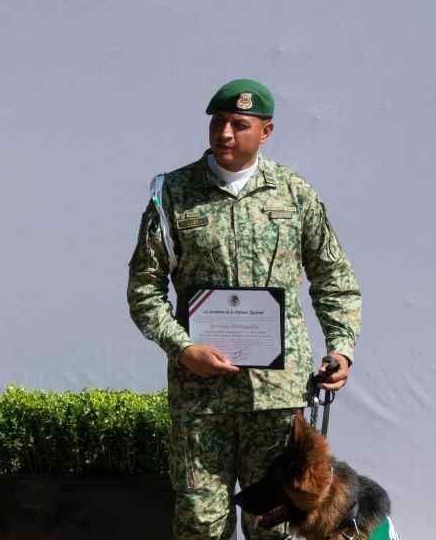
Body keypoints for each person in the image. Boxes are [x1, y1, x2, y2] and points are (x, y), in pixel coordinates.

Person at [127, 78, 362, 540]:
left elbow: (335, 279)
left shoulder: (294, 195)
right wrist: (182, 348)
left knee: (274, 525)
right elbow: (143, 290)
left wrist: (342, 349)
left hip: (275, 396)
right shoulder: (172, 195)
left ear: (266, 131)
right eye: (218, 123)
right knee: (199, 522)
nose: (226, 134)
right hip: (201, 395)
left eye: (240, 124)